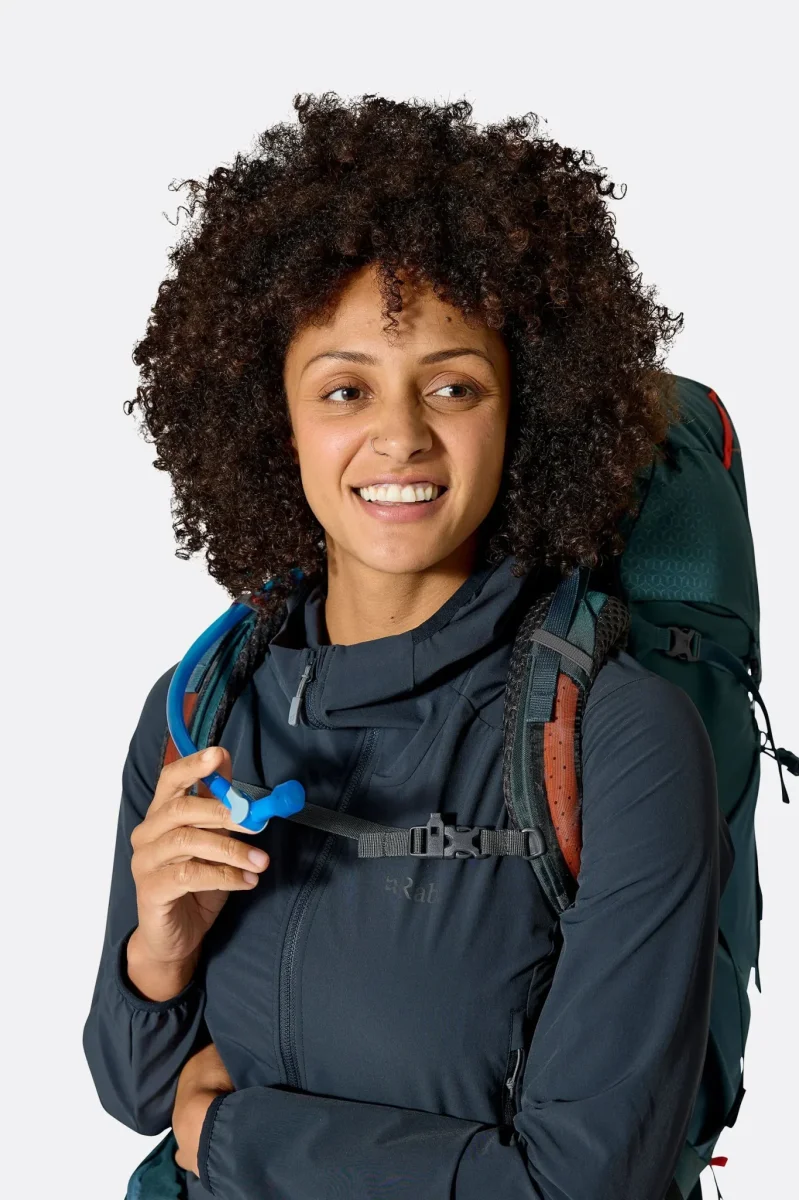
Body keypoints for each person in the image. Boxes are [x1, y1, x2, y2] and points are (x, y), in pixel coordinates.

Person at [83, 93, 724, 1200]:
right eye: (345, 389)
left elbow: (578, 1183)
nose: (400, 436)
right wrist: (163, 949)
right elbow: (138, 1087)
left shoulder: (616, 739)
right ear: (274, 419)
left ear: (524, 411)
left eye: (452, 386)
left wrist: (231, 1140)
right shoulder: (202, 709)